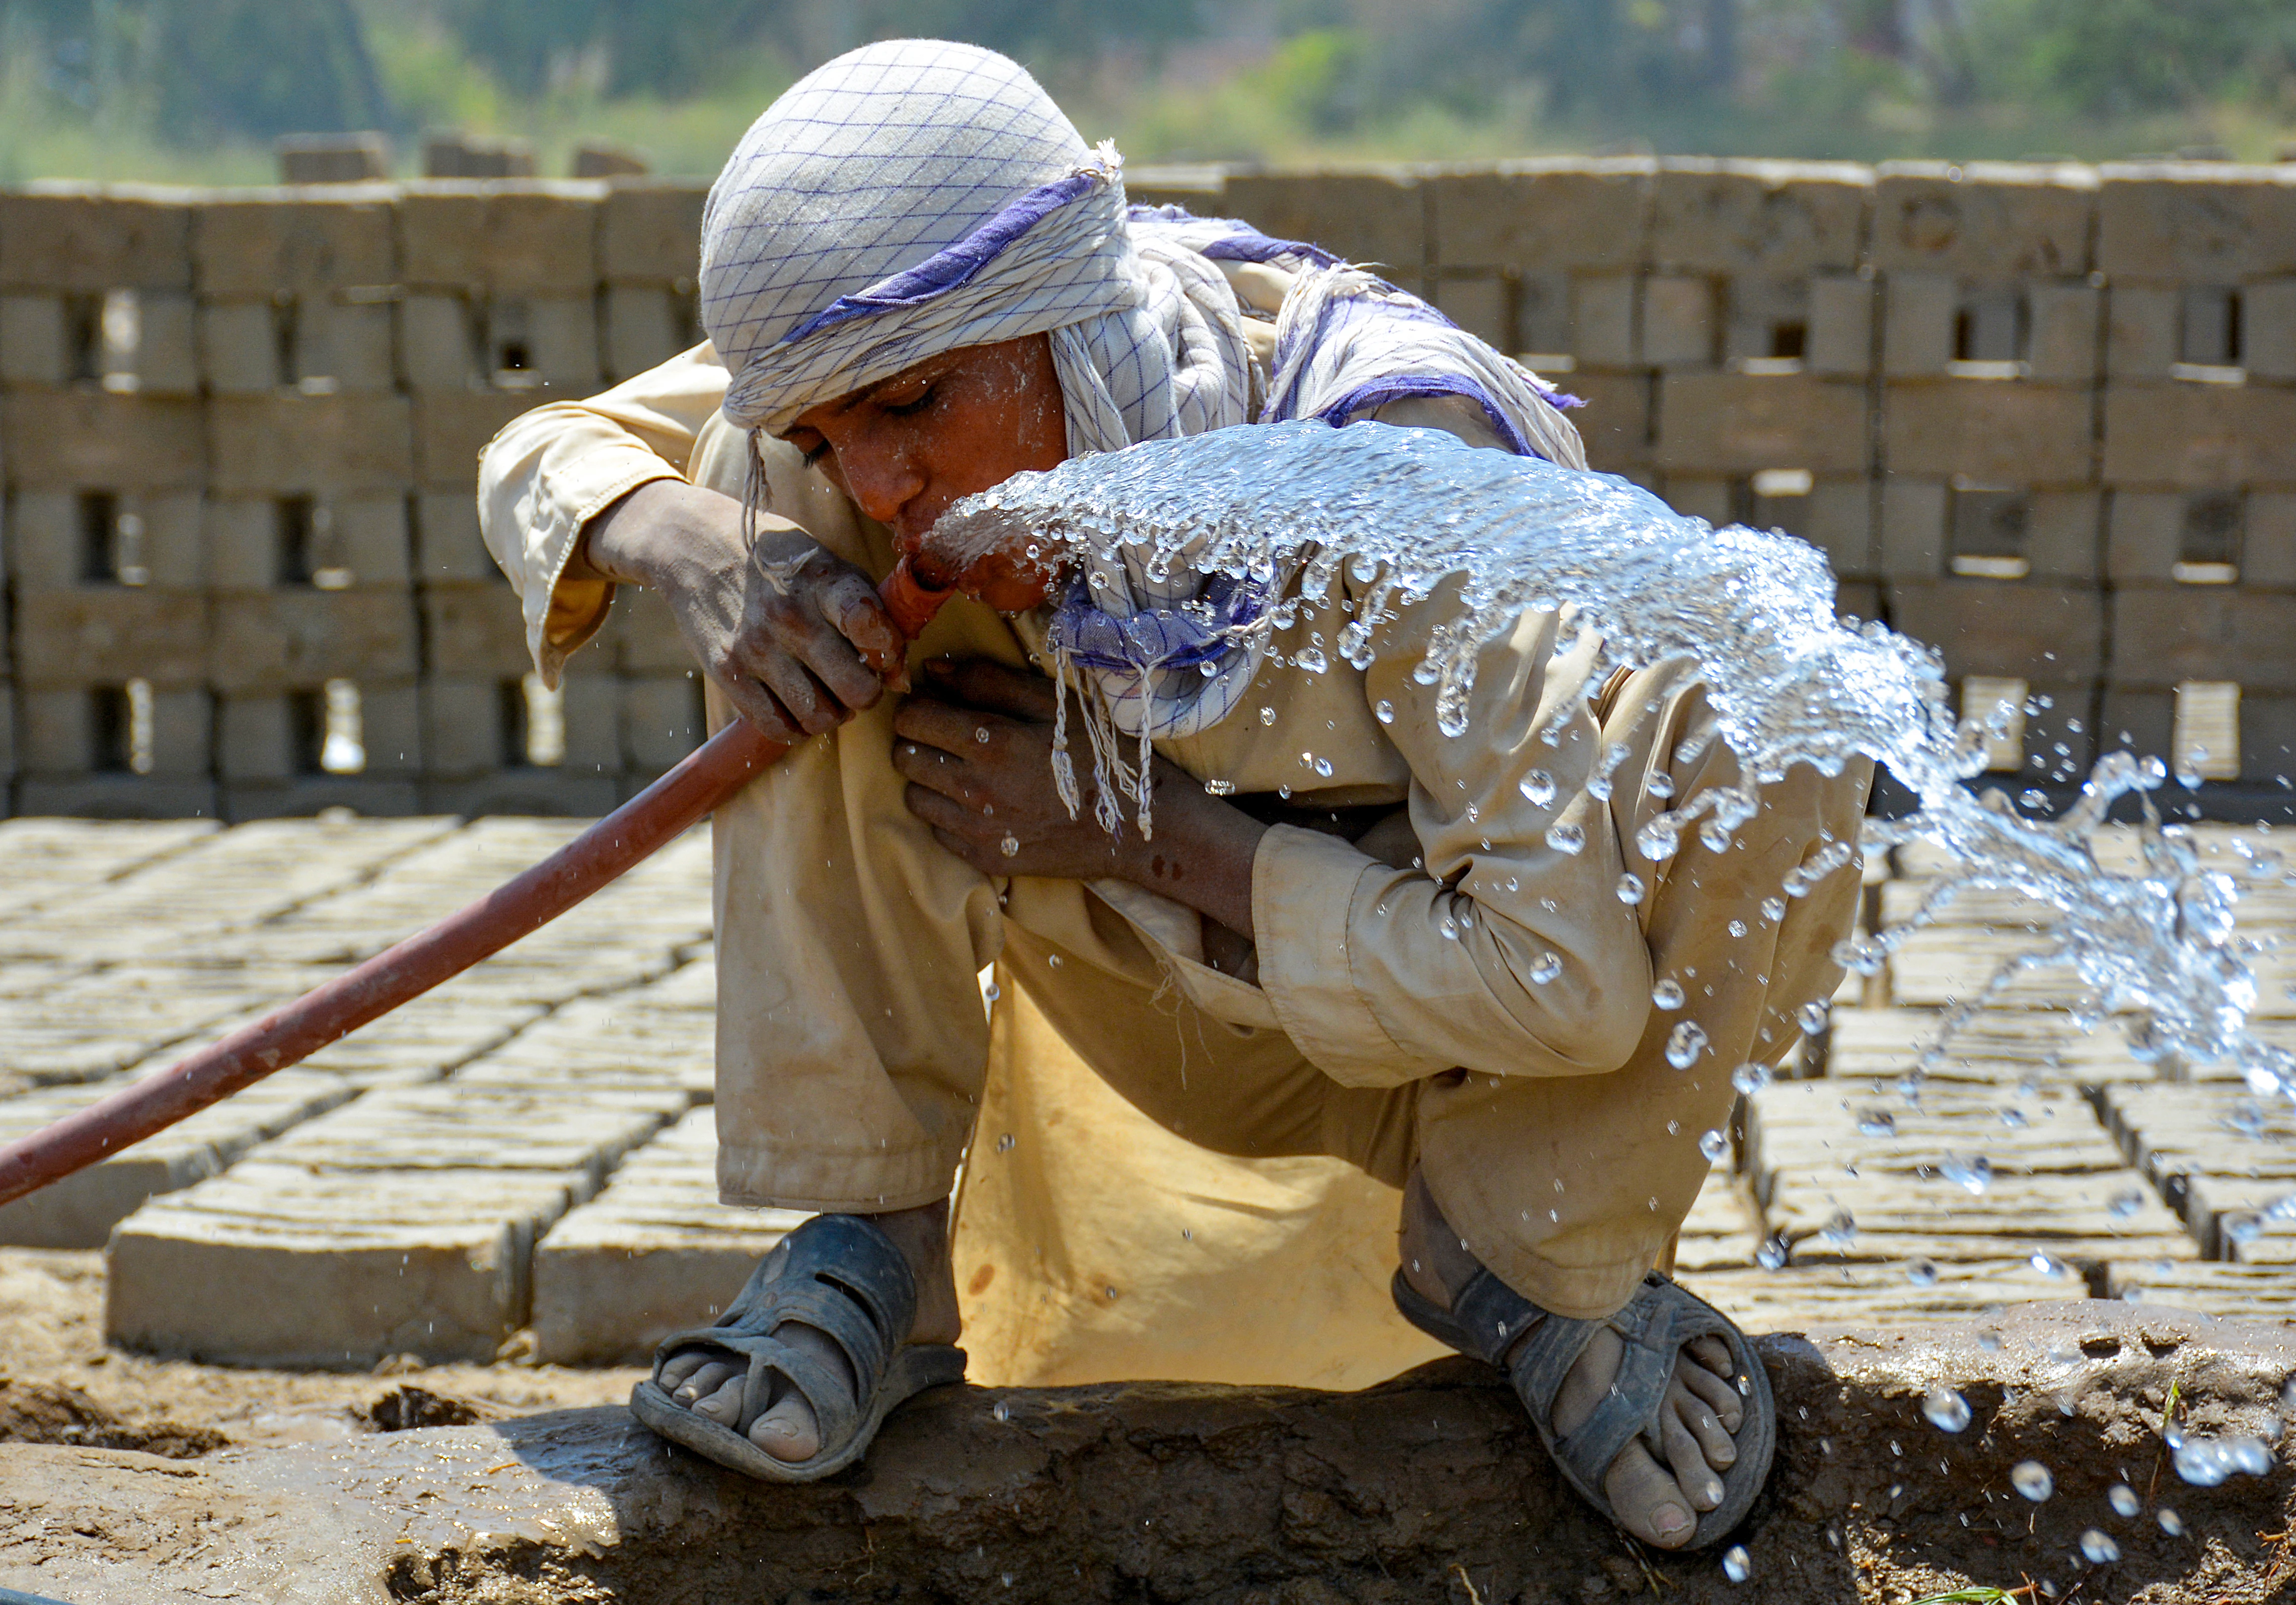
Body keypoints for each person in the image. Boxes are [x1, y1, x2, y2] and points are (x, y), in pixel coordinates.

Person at [479, 39, 1869, 1552]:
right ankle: (870, 1248)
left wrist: (1143, 833)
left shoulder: (1399, 469)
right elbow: (542, 448)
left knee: (1780, 703)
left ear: (1065, 328)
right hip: (1154, 1009)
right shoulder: (887, 351)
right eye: (837, 429)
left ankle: (1535, 1263)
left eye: (917, 409)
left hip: (1479, 1068)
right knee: (766, 528)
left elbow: (1570, 988)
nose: (880, 481)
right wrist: (691, 541)